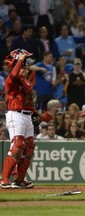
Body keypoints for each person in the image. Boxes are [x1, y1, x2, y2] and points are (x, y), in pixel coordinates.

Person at [1, 50, 35, 189]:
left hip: (27, 115)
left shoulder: (25, 81)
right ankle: (4, 179)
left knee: (29, 147)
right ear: (18, 65)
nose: (26, 70)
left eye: (27, 67)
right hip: (15, 114)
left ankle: (19, 180)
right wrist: (19, 60)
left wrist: (34, 113)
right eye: (24, 67)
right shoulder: (11, 79)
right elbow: (14, 74)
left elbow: (27, 99)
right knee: (18, 145)